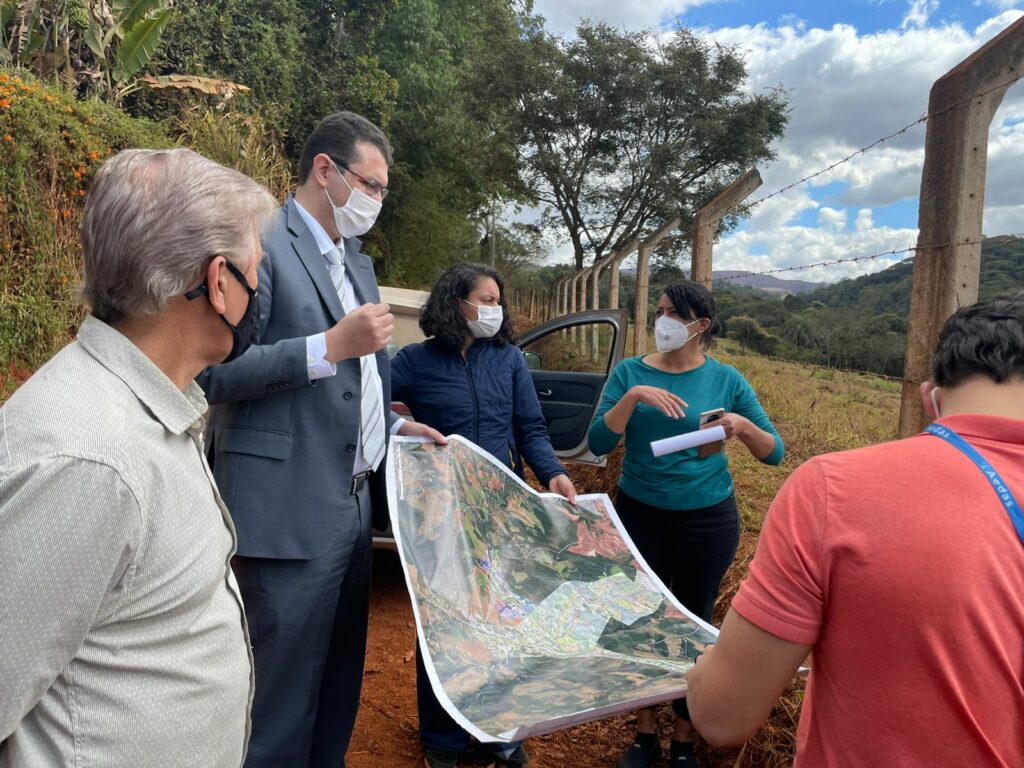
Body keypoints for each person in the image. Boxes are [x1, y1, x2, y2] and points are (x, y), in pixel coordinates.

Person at [0, 149, 276, 766]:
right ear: (218, 281)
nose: (260, 290)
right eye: (256, 270)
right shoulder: (89, 462)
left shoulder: (145, 407)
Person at [685, 293, 1024, 767]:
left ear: (930, 398)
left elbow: (721, 716)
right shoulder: (635, 373)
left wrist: (701, 673)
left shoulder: (836, 490)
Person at [197, 111, 442, 768]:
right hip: (284, 507)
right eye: (371, 184)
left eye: (384, 190)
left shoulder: (355, 263)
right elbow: (211, 372)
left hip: (354, 505)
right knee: (277, 699)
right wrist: (325, 347)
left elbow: (362, 379)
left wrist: (395, 426)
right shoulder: (261, 244)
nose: (377, 201)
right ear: (325, 170)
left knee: (336, 682)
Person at [587, 280, 784, 768]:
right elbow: (597, 441)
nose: (663, 321)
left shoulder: (726, 379)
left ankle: (683, 736)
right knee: (640, 619)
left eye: (674, 313)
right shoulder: (630, 373)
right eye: (660, 311)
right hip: (640, 514)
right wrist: (633, 397)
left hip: (708, 520)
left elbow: (774, 453)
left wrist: (741, 426)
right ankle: (644, 731)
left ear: (701, 325)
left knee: (694, 621)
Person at [391, 262, 578, 768]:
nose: (495, 309)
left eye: (499, 301)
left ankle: (500, 731)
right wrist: (400, 428)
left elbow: (530, 427)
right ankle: (443, 739)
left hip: (500, 508)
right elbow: (362, 404)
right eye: (486, 300)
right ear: (457, 303)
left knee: (503, 617)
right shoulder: (414, 361)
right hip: (441, 511)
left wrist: (553, 473)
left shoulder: (509, 359)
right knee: (445, 620)